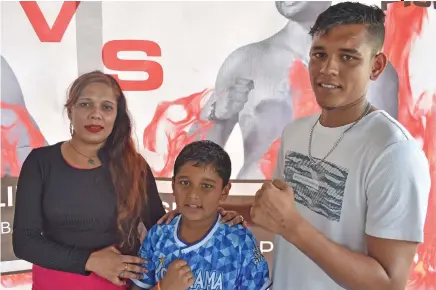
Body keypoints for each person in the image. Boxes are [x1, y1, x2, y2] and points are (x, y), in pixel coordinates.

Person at [250, 2, 430, 290]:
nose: (328, 69)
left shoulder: (394, 152)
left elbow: (388, 283)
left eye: (348, 57)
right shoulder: (295, 133)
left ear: (376, 66)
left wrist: (293, 228)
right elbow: (277, 215)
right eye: (319, 54)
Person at [12, 71, 244, 290]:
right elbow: (24, 242)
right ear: (70, 110)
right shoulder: (40, 162)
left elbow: (161, 228)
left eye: (107, 107)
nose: (96, 114)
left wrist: (214, 221)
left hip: (116, 284)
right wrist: (90, 261)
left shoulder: (134, 166)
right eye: (85, 104)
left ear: (116, 116)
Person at [189, 1, 399, 179]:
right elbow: (192, 168)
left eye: (347, 57)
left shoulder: (377, 74)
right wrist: (216, 119)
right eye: (318, 55)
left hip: (334, 219)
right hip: (252, 213)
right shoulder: (245, 61)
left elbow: (385, 168)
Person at [131, 140, 271, 290]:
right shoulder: (158, 236)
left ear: (224, 190)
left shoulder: (239, 242)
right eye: (185, 183)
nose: (193, 195)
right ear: (173, 185)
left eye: (206, 186)